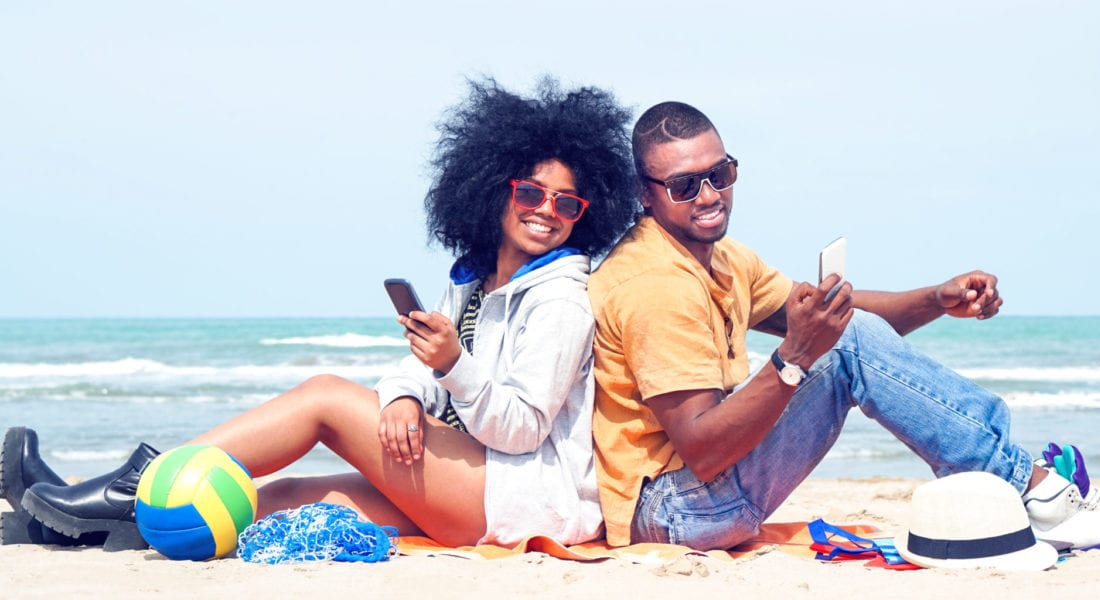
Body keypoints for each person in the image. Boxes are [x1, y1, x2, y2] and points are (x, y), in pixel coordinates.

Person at [2, 78, 639, 551]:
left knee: (325, 400)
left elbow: (523, 427)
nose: (546, 210)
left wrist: (453, 367)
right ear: (494, 188)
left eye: (568, 204)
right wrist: (404, 397)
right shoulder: (475, 277)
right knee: (267, 501)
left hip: (517, 497)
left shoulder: (558, 297)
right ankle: (75, 528)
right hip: (472, 478)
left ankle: (138, 480)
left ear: (586, 214)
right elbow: (419, 368)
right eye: (531, 192)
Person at [587, 101, 1100, 552]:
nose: (710, 195)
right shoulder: (654, 283)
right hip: (672, 510)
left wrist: (936, 299)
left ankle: (1024, 488)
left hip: (697, 494)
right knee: (845, 345)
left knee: (846, 334)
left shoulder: (718, 256)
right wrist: (793, 360)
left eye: (722, 173)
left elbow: (836, 312)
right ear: (646, 193)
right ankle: (1033, 489)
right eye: (686, 185)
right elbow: (703, 448)